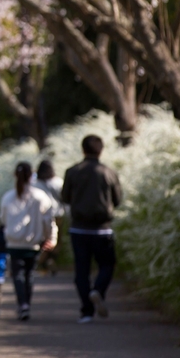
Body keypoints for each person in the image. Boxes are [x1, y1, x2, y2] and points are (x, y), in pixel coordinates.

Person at [61, 134, 123, 324]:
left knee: (81, 271)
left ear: (83, 149)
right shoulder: (109, 172)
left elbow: (65, 197)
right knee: (107, 264)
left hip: (79, 229)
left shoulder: (72, 172)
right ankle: (98, 290)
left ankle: (86, 311)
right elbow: (118, 199)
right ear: (101, 150)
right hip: (102, 229)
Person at [0, 162, 57, 321]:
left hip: (14, 242)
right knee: (30, 274)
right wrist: (51, 238)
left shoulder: (8, 197)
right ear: (32, 175)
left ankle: (22, 304)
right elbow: (48, 220)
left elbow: (2, 219)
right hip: (33, 243)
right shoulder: (40, 196)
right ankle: (26, 305)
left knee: (17, 274)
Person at [34, 158, 66, 275]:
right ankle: (51, 259)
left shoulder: (36, 183)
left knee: (43, 239)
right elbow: (64, 197)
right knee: (55, 240)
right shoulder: (58, 182)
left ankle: (43, 261)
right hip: (57, 215)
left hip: (40, 214)